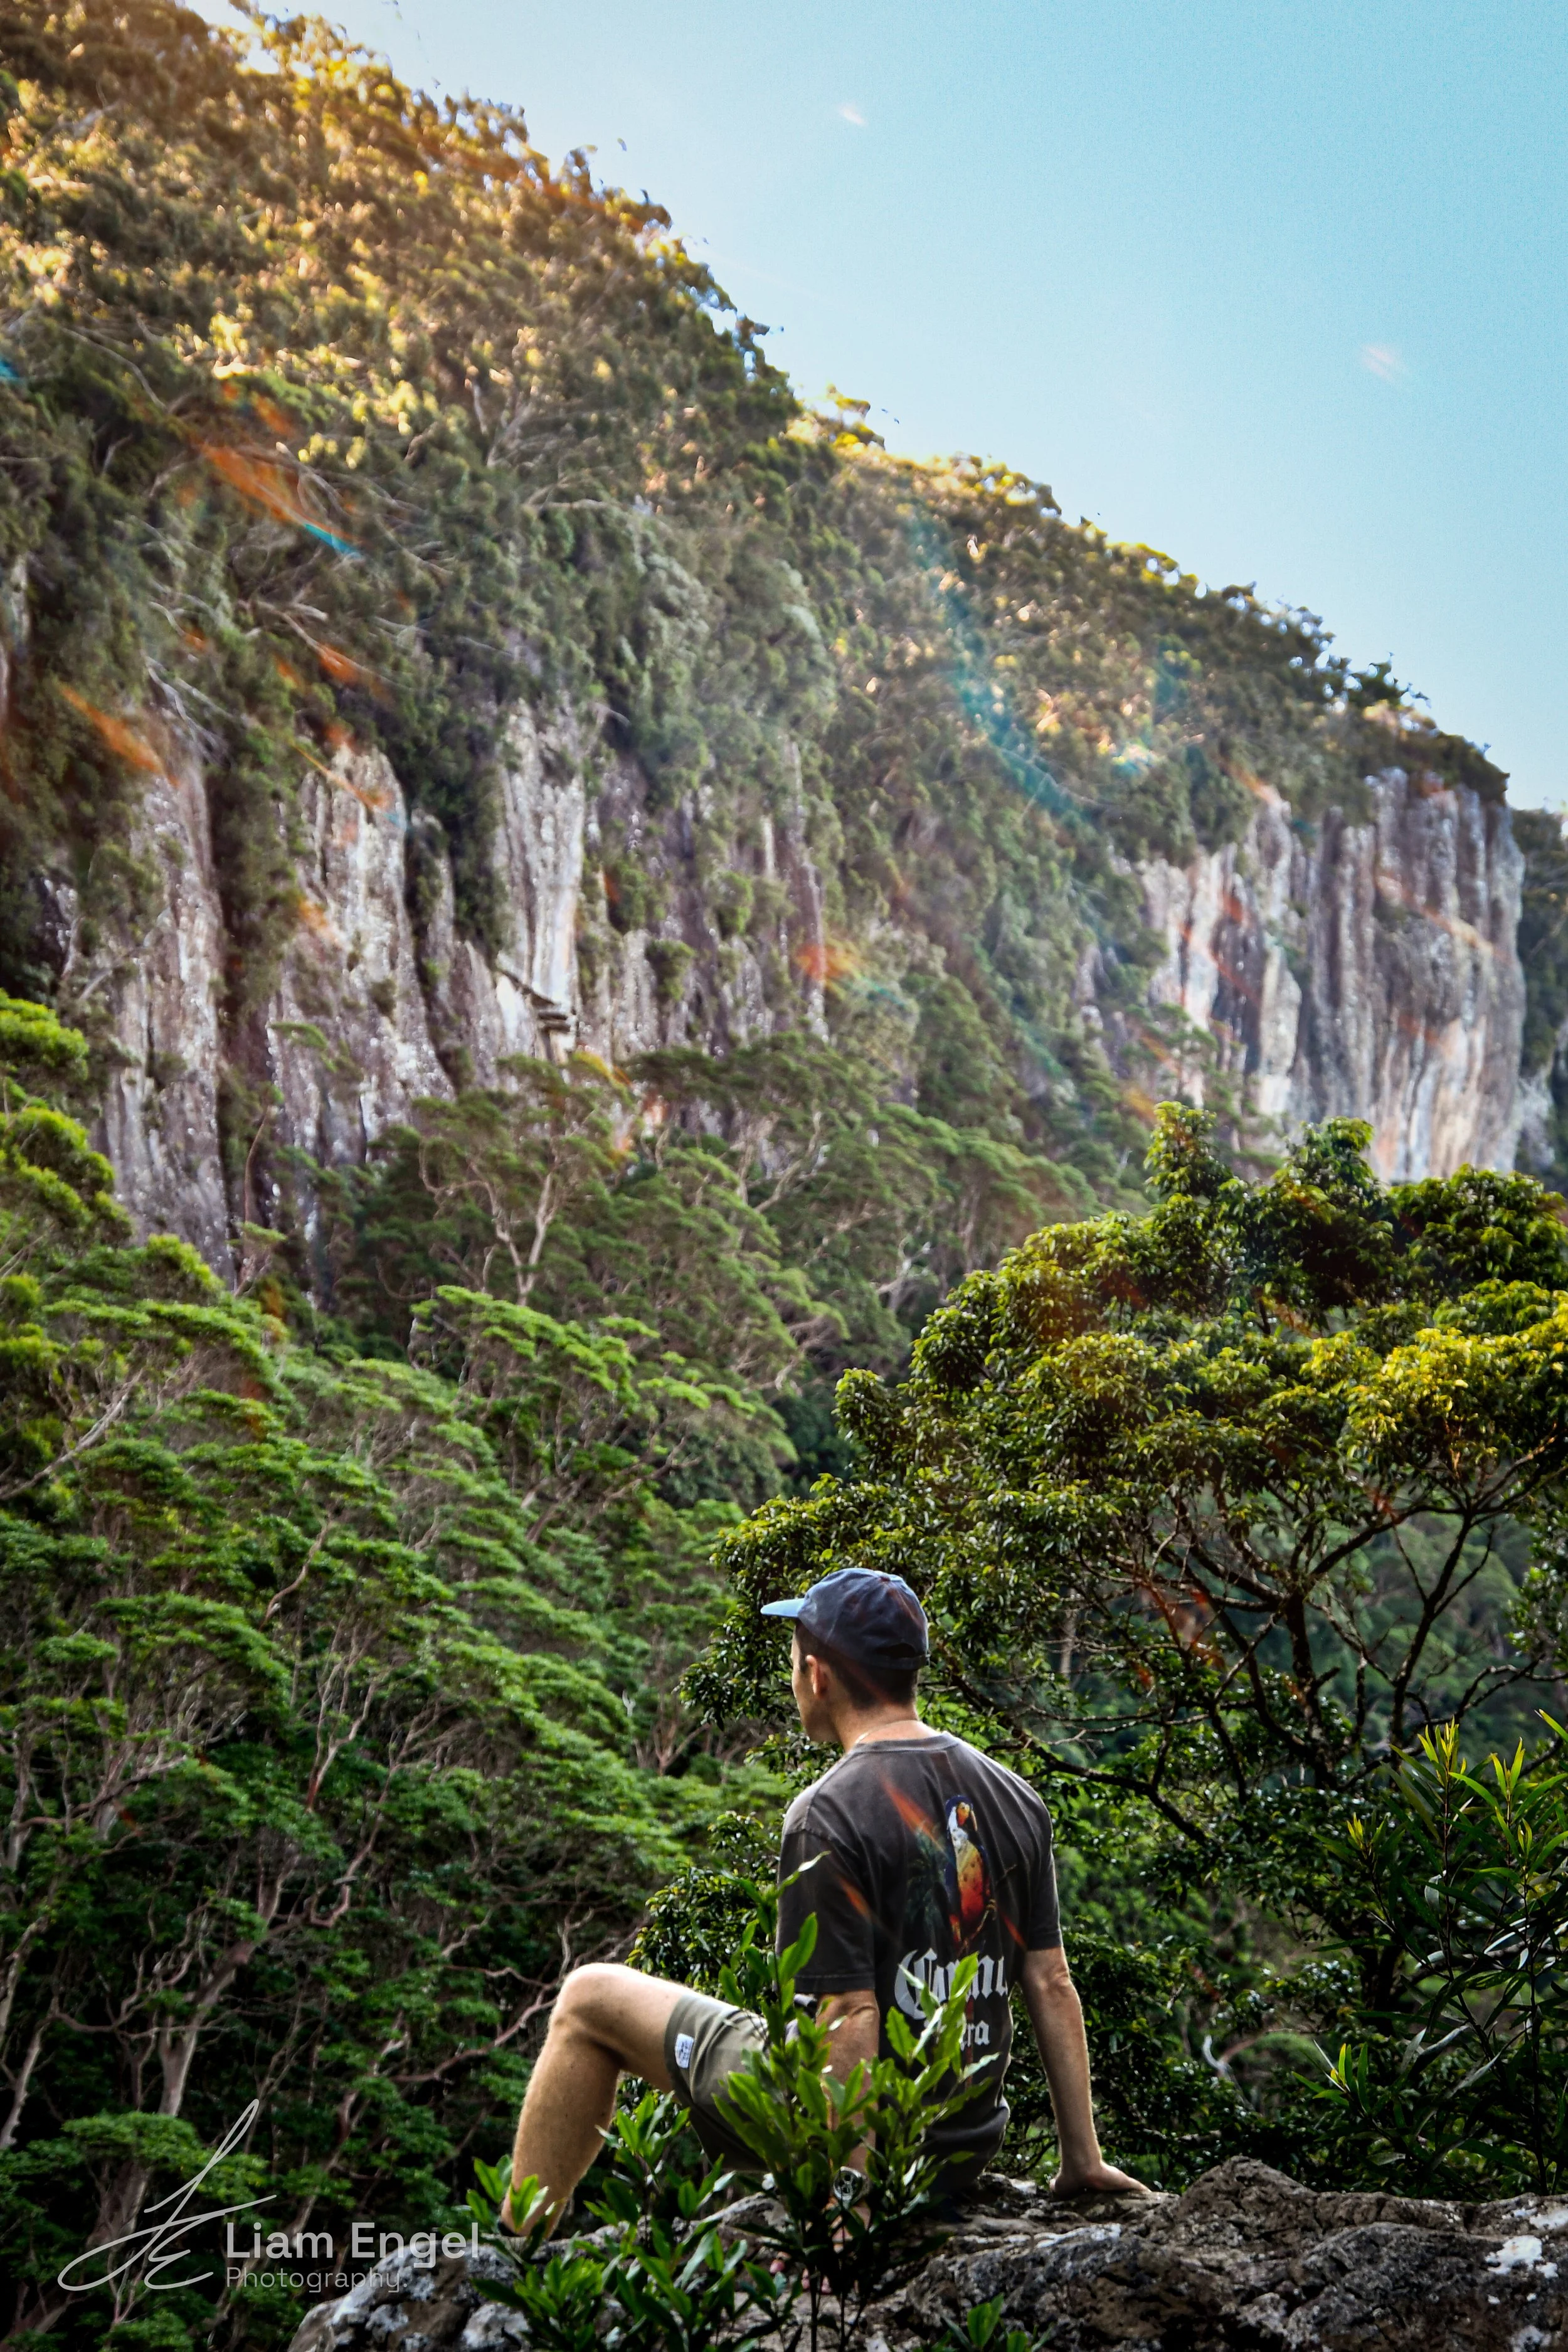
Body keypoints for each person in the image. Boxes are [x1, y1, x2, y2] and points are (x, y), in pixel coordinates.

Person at [506, 1567, 1148, 2225]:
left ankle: (518, 2252)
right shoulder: (1015, 1796)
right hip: (958, 2147)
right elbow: (1050, 1981)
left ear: (817, 1676)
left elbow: (849, 2014)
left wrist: (851, 2200)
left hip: (847, 2137)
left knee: (588, 1999)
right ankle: (1070, 2157)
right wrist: (1082, 2159)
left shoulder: (828, 1814)